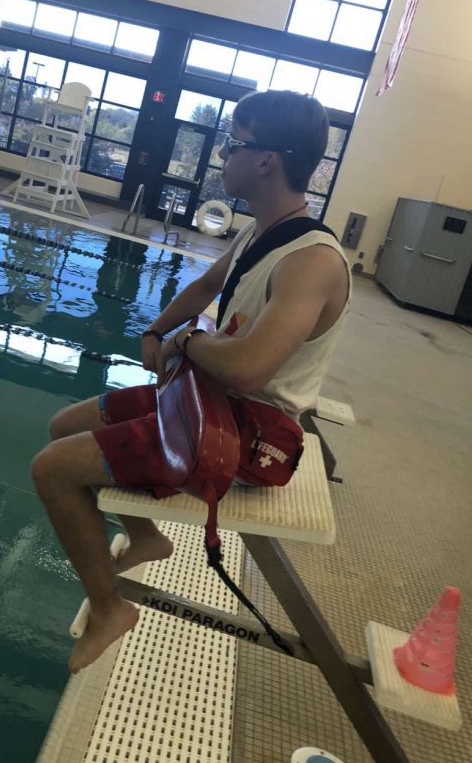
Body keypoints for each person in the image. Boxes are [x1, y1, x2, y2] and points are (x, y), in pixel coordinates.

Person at [32, 89, 351, 673]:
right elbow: (207, 288)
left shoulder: (312, 261)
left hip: (250, 437)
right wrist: (156, 329)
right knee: (63, 425)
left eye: (236, 142)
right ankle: (147, 537)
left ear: (267, 160)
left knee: (51, 468)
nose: (224, 154)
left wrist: (188, 342)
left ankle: (110, 609)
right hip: (206, 402)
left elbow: (252, 366)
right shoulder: (261, 231)